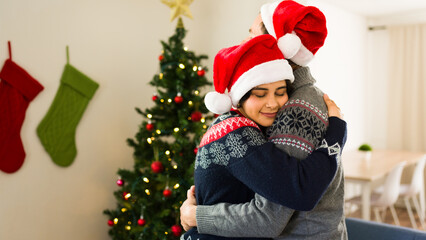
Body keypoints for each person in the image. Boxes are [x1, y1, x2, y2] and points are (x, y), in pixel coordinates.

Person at [180, 1, 348, 239]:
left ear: (277, 43)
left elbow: (274, 212)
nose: (245, 44)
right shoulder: (248, 122)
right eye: (260, 93)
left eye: (252, 35)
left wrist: (195, 216)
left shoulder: (295, 111)